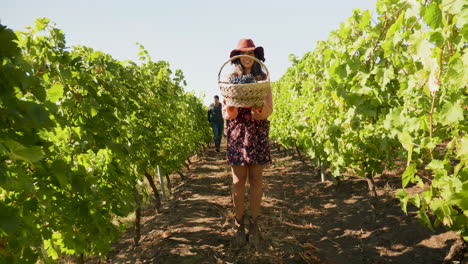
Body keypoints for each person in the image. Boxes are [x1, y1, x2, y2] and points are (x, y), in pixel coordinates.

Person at [222, 39, 273, 248]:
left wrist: (259, 107)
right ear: (238, 57)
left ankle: (254, 224)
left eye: (250, 52)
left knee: (256, 180)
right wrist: (232, 107)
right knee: (237, 181)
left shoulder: (263, 79)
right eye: (243, 53)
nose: (247, 56)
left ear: (255, 55)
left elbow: (269, 109)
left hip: (257, 131)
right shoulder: (230, 78)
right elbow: (226, 113)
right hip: (237, 132)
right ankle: (238, 224)